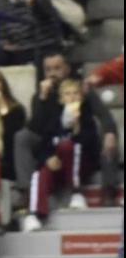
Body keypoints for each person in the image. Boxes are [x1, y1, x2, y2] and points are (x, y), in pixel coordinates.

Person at [13, 53, 118, 212]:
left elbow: (104, 116)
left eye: (57, 68)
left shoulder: (81, 90)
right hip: (53, 146)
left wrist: (110, 133)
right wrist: (42, 99)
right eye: (48, 69)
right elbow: (35, 128)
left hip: (81, 146)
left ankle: (109, 191)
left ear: (67, 69)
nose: (52, 73)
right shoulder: (41, 95)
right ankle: (26, 192)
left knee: (110, 137)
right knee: (22, 137)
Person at [22, 78, 101, 232]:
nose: (72, 97)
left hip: (81, 166)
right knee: (40, 172)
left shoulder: (88, 119)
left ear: (81, 97)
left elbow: (92, 149)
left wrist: (77, 128)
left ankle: (76, 193)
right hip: (59, 167)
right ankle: (34, 214)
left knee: (68, 145)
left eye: (76, 93)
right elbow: (43, 146)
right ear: (61, 99)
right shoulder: (54, 119)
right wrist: (48, 158)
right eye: (67, 94)